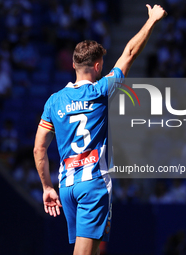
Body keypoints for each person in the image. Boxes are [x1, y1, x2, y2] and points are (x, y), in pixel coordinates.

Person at [33, 4, 167, 255]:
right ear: (97, 67)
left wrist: (46, 187)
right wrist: (151, 21)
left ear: (74, 64)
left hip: (67, 186)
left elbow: (39, 148)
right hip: (92, 184)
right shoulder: (101, 91)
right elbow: (129, 53)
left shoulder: (53, 101)